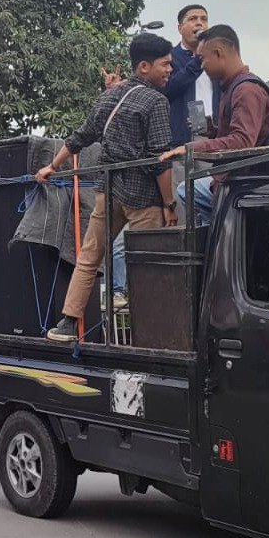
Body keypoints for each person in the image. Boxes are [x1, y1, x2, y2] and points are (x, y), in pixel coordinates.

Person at [37, 34, 178, 342]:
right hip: (143, 196)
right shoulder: (156, 102)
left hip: (108, 189)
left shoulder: (110, 96)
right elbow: (159, 159)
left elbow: (82, 135)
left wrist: (52, 166)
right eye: (165, 64)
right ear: (144, 66)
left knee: (89, 257)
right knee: (147, 264)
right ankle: (151, 332)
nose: (170, 69)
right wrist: (169, 204)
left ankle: (67, 322)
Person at [160, 25, 269, 222]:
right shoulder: (232, 88)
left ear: (218, 53)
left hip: (242, 180)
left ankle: (222, 231)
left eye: (202, 59)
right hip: (233, 177)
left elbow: (243, 141)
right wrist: (214, 130)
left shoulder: (246, 91)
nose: (201, 66)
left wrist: (192, 148)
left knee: (187, 189)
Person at [165, 4, 221, 147]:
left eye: (204, 19)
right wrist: (197, 60)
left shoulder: (217, 57)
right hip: (181, 140)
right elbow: (169, 88)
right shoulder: (170, 57)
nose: (199, 23)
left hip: (213, 135)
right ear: (180, 28)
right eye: (193, 19)